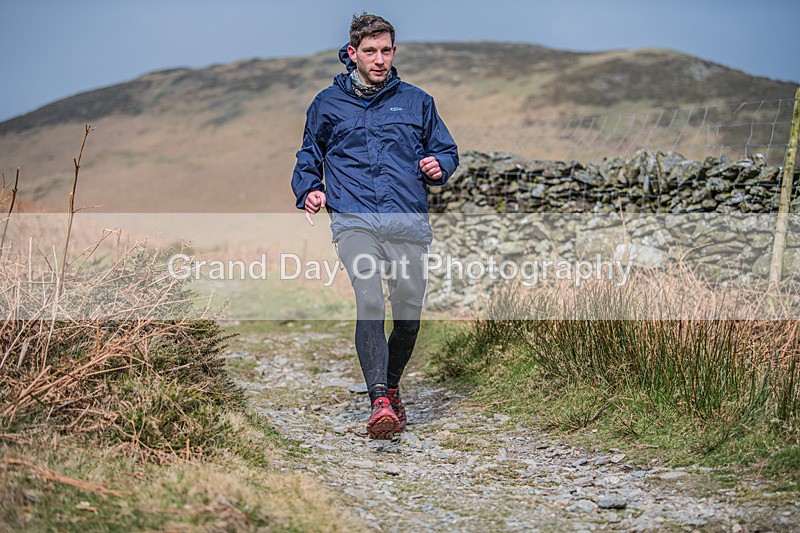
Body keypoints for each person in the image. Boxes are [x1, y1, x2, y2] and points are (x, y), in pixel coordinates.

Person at [290, 13, 459, 439]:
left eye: (385, 50)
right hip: (354, 220)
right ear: (353, 53)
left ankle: (393, 386)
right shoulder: (327, 104)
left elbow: (446, 150)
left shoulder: (417, 101)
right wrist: (310, 189)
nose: (379, 59)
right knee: (369, 299)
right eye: (370, 51)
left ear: (394, 51)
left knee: (408, 317)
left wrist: (439, 165)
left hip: (406, 221)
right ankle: (379, 400)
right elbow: (309, 155)